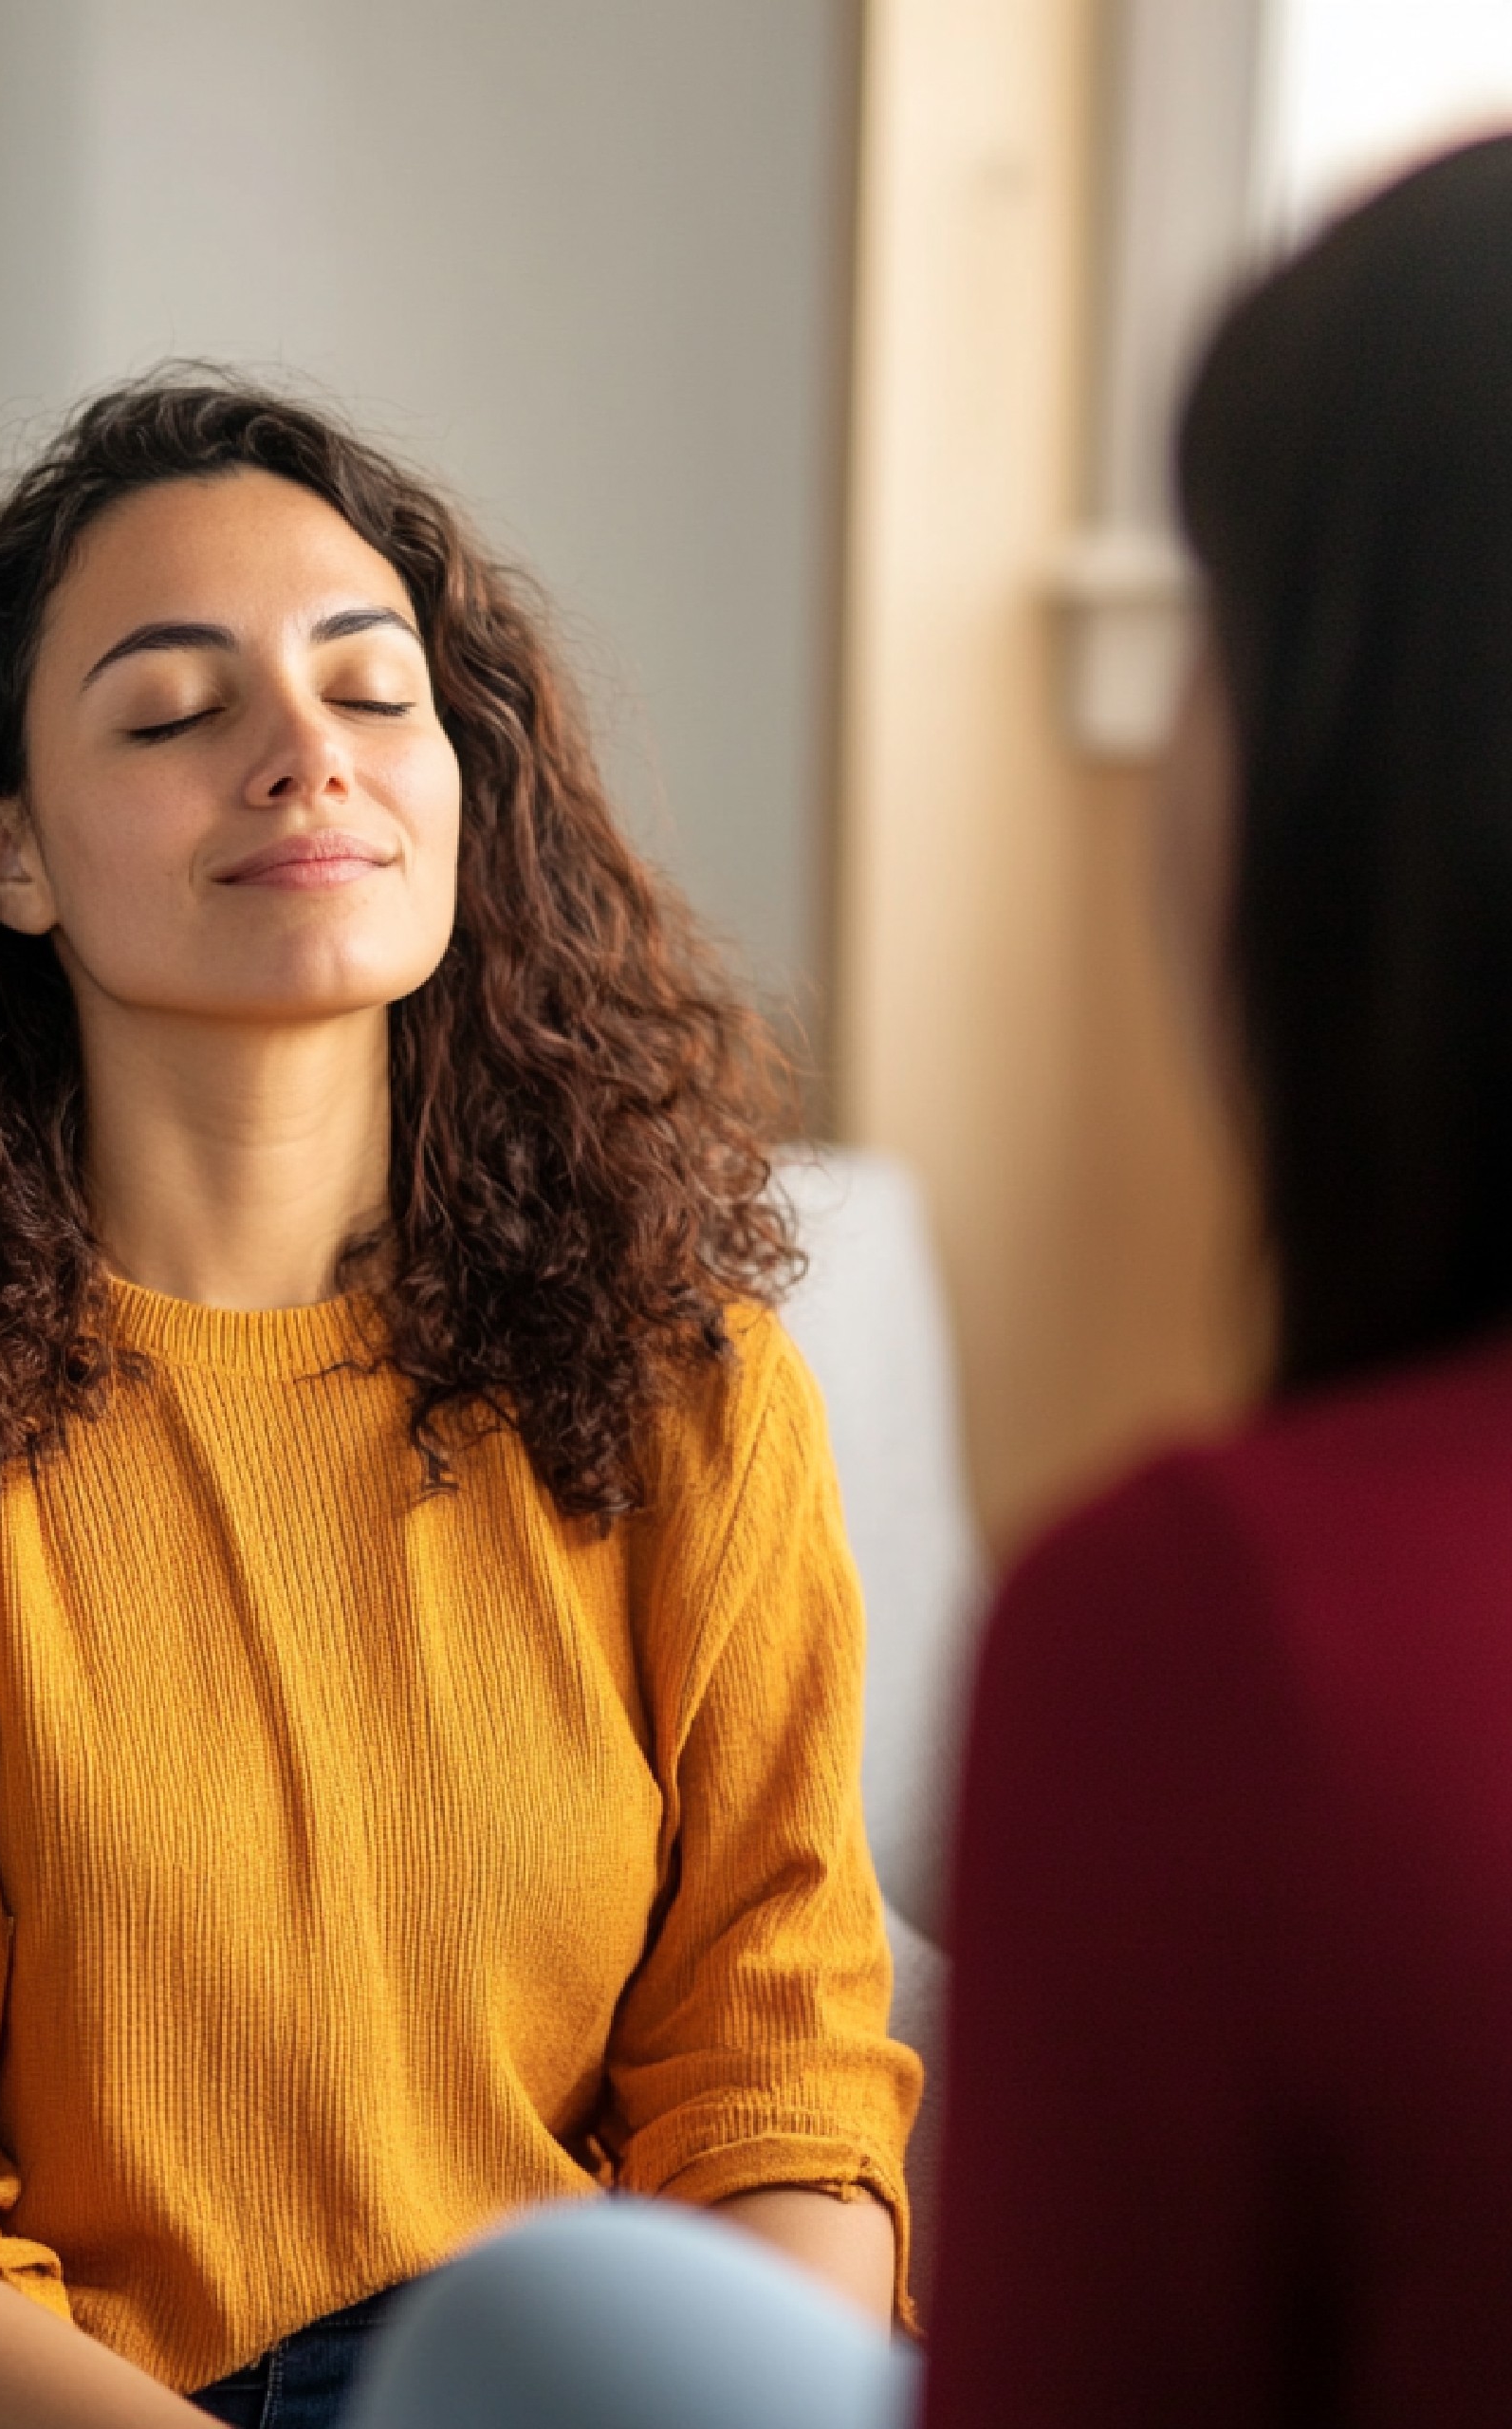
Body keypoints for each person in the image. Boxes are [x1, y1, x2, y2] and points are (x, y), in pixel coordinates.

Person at [0, 380, 920, 2429]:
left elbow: (777, 2079)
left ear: (462, 790)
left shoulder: (686, 1388)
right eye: (173, 711)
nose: (307, 755)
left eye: (373, 694)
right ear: (3, 852)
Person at [346, 129, 1512, 2429]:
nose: (300, 759)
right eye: (173, 709)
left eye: (1209, 628)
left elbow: (790, 2028)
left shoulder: (1213, 1631)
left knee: (537, 2324)